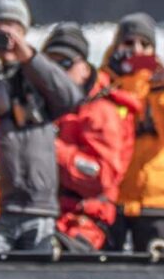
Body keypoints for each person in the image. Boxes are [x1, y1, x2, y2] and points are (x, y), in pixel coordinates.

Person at [0, 0, 83, 252]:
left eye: (14, 28)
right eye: (1, 27)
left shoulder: (38, 75)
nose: (7, 36)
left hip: (39, 206)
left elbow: (71, 98)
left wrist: (30, 57)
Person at [41, 23, 140, 251]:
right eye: (49, 64)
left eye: (65, 64)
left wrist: (48, 148)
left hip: (83, 227)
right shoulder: (38, 107)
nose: (57, 72)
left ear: (85, 68)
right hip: (44, 218)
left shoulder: (100, 112)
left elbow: (101, 177)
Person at [98, 12, 164, 252]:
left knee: (159, 271)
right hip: (112, 198)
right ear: (116, 47)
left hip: (158, 199)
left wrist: (159, 88)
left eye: (145, 44)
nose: (137, 50)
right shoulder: (102, 88)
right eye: (129, 43)